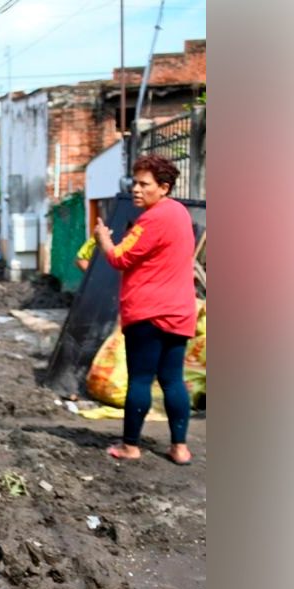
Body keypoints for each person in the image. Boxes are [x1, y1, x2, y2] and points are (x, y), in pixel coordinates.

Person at [93, 154, 196, 466]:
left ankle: (130, 446)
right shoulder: (179, 213)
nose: (136, 189)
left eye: (144, 184)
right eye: (134, 183)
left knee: (139, 379)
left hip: (148, 313)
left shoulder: (153, 218)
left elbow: (119, 258)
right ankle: (180, 448)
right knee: (172, 380)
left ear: (163, 187)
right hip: (179, 311)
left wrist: (104, 240)